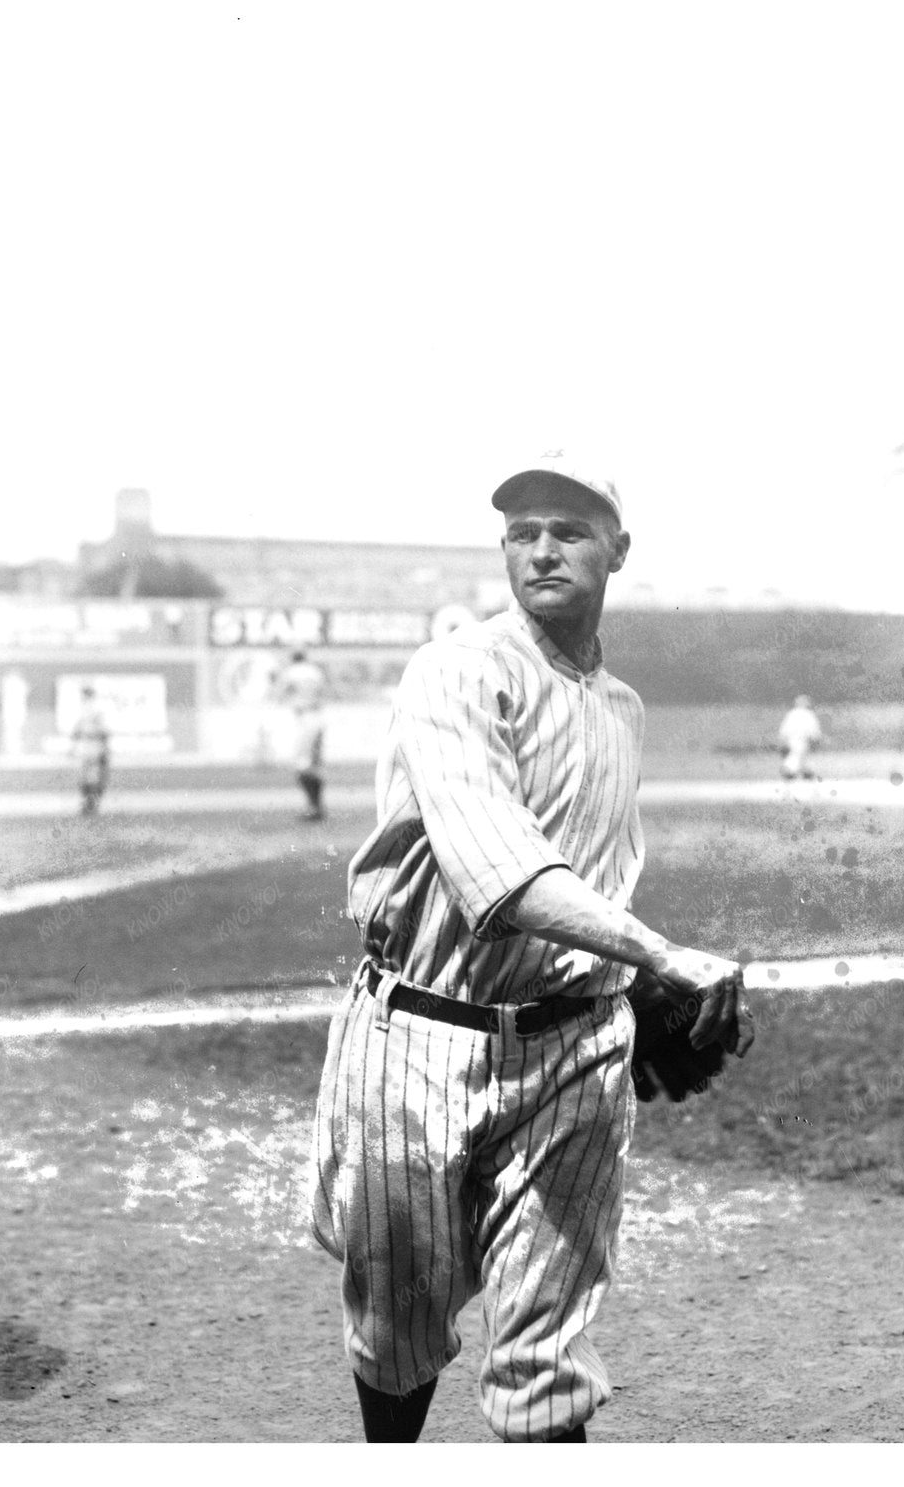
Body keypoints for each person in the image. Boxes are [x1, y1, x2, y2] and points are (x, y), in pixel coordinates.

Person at [309, 452, 754, 1444]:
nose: (542, 549)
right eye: (523, 532)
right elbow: (499, 870)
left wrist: (620, 986)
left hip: (572, 1054)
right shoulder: (458, 669)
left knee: (547, 1352)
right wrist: (659, 956)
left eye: (570, 530)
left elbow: (597, 868)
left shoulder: (622, 707)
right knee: (397, 1326)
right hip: (420, 1037)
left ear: (618, 551)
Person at [280, 648, 328, 821]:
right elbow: (324, 691)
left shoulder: (292, 672)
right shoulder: (315, 671)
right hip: (318, 717)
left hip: (305, 718)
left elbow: (281, 691)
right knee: (314, 766)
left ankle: (313, 807)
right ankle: (317, 807)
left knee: (302, 765)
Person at [71, 685, 111, 816]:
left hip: (94, 747)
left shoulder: (97, 709)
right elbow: (76, 731)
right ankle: (87, 804)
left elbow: (104, 731)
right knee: (84, 778)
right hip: (86, 747)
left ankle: (92, 804)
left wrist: (105, 747)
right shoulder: (82, 710)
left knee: (94, 777)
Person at [777, 693, 823, 780]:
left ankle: (800, 771)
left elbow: (784, 728)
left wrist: (782, 739)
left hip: (792, 739)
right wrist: (816, 738)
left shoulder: (791, 714)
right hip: (803, 739)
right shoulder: (809, 714)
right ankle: (791, 771)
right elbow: (813, 728)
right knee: (799, 755)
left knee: (796, 754)